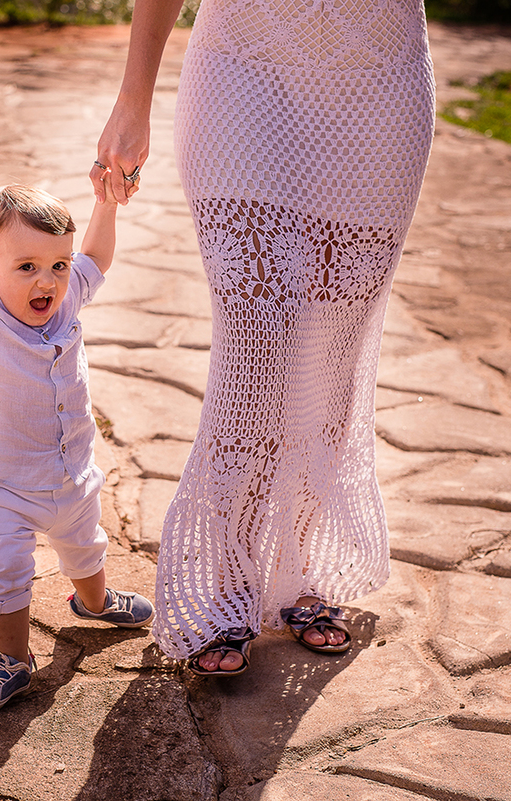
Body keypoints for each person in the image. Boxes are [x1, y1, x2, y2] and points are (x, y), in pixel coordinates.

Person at [92, 0, 435, 674]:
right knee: (257, 345)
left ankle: (306, 570)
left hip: (377, 85)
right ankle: (229, 579)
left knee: (333, 347)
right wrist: (135, 97)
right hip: (243, 77)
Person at [0, 184, 154, 710]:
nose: (49, 281)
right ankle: (14, 659)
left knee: (86, 548)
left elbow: (96, 259)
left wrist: (105, 204)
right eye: (27, 268)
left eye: (57, 266)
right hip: (7, 486)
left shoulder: (67, 297)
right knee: (7, 572)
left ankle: (95, 602)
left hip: (73, 472)